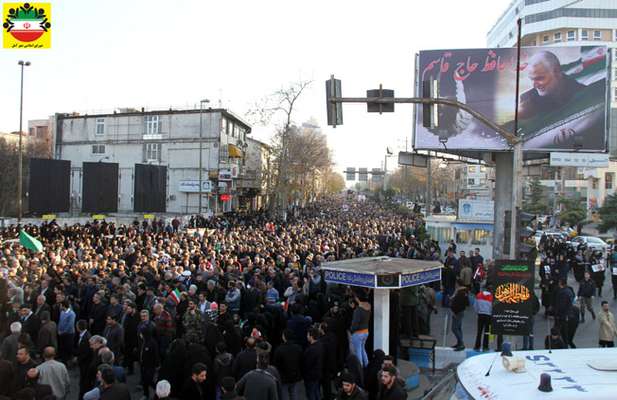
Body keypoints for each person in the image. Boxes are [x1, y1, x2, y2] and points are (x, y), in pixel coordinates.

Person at [518, 50, 586, 120]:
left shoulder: (583, 94)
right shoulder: (527, 101)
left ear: (557, 72)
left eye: (539, 78)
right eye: (531, 79)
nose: (534, 85)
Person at [273, 329, 303, 400]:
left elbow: (276, 365)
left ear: (284, 337)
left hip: (283, 378)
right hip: (295, 376)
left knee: (284, 396)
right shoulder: (298, 348)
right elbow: (301, 362)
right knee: (294, 394)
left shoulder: (279, 349)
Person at [349, 293, 371, 368]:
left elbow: (355, 323)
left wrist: (351, 330)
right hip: (366, 332)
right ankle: (367, 365)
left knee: (358, 351)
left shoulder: (358, 310)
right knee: (362, 349)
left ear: (357, 299)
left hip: (358, 333)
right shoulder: (368, 306)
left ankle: (360, 368)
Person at [303, 327, 324, 400]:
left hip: (310, 376)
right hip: (318, 374)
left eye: (308, 335)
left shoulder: (310, 350)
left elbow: (307, 364)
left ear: (311, 336)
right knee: (316, 392)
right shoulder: (320, 345)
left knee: (311, 394)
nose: (307, 336)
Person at [450, 283, 469, 351]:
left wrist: (454, 312)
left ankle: (461, 343)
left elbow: (454, 303)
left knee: (454, 328)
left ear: (458, 284)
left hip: (457, 312)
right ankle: (459, 343)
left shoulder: (459, 292)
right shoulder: (465, 292)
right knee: (458, 328)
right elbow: (467, 303)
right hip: (460, 311)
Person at [473, 286, 493, 352]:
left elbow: (475, 306)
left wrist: (477, 312)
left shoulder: (478, 295)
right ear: (490, 290)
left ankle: (477, 346)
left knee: (479, 331)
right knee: (486, 332)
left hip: (480, 315)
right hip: (488, 316)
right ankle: (485, 347)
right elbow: (492, 307)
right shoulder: (491, 297)